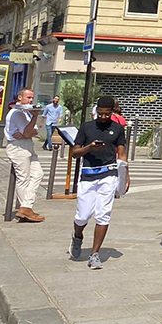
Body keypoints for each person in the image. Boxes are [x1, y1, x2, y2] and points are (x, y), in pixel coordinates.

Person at [68, 95, 129, 269]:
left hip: (108, 175)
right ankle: (78, 236)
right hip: (88, 175)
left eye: (106, 114)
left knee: (103, 214)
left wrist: (125, 175)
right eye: (100, 114)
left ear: (111, 112)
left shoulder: (117, 129)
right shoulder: (87, 127)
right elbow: (75, 152)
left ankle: (95, 254)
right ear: (96, 111)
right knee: (83, 215)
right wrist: (90, 148)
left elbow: (122, 154)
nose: (103, 117)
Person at [4, 89, 45, 223]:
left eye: (32, 97)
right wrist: (34, 118)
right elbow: (28, 132)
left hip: (27, 144)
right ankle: (26, 208)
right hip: (18, 147)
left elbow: (35, 131)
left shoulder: (25, 112)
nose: (31, 100)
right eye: (28, 97)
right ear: (20, 97)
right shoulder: (17, 113)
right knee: (23, 178)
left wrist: (28, 132)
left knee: (38, 174)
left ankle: (26, 206)